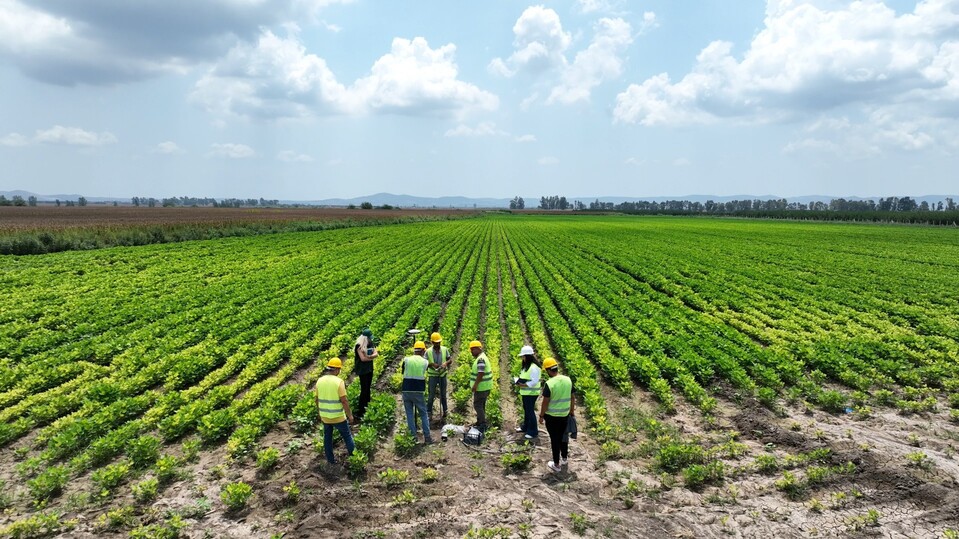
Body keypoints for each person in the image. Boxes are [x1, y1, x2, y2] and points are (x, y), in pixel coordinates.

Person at [315, 358, 355, 465]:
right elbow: (344, 401)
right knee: (347, 436)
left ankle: (330, 461)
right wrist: (350, 415)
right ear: (337, 370)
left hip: (325, 417)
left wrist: (319, 413)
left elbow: (316, 399)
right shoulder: (339, 382)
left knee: (327, 438)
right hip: (338, 416)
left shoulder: (320, 381)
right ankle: (354, 458)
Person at [539, 357, 574, 473]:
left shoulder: (549, 383)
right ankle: (564, 458)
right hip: (564, 415)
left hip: (552, 417)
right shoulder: (568, 380)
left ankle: (556, 464)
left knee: (555, 439)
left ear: (548, 370)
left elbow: (545, 402)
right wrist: (572, 411)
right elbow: (572, 397)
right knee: (564, 437)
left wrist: (541, 415)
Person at [402, 341, 432, 443]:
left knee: (409, 414)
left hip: (406, 389)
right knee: (423, 413)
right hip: (418, 390)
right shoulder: (425, 362)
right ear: (423, 350)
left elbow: (403, 371)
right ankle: (427, 437)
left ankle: (413, 437)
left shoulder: (406, 359)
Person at [513, 345, 540, 440]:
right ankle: (526, 427)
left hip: (531, 393)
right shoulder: (526, 367)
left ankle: (533, 431)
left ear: (527, 357)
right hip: (526, 393)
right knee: (526, 410)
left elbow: (534, 381)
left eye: (523, 356)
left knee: (530, 411)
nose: (522, 358)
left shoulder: (534, 367)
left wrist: (523, 385)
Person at [426, 332, 452, 422]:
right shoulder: (428, 351)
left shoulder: (445, 349)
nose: (438, 344)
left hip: (442, 375)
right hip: (433, 375)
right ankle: (429, 413)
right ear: (432, 342)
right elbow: (424, 364)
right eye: (436, 343)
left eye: (439, 342)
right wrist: (432, 364)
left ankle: (445, 411)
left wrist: (446, 363)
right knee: (431, 395)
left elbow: (450, 359)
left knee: (443, 394)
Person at [353, 328, 378, 422]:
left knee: (368, 388)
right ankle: (361, 410)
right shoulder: (358, 346)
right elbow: (363, 359)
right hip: (362, 370)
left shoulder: (370, 344)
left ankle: (367, 405)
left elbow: (376, 353)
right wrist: (371, 357)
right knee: (364, 389)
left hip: (369, 369)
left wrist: (370, 356)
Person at [469, 340, 493, 432]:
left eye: (472, 349)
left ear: (478, 349)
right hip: (484, 386)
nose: (471, 352)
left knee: (477, 405)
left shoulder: (481, 359)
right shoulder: (482, 357)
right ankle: (480, 422)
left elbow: (480, 373)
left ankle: (482, 424)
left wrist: (475, 385)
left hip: (481, 387)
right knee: (481, 405)